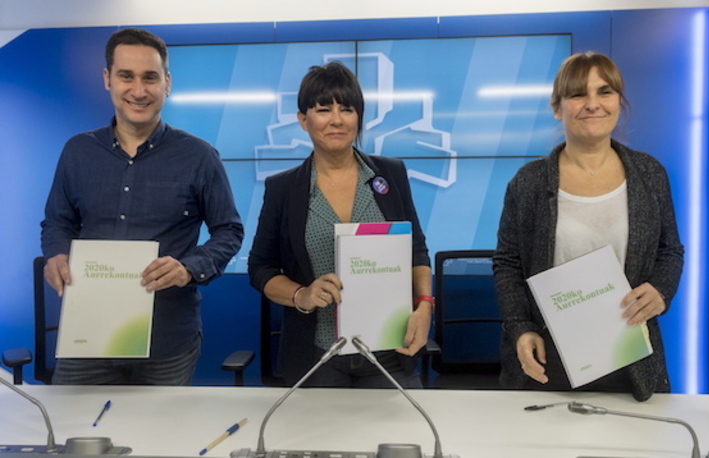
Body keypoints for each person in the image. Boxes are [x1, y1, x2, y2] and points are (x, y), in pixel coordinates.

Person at [40, 28, 244, 385]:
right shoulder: (77, 152)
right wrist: (56, 253)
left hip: (167, 340)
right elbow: (57, 222)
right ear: (107, 79)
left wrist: (188, 267)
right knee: (73, 435)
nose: (139, 90)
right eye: (126, 76)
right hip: (87, 335)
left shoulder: (199, 156)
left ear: (167, 82)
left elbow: (229, 230)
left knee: (160, 439)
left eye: (150, 77)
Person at [492, 52, 684, 402]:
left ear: (619, 102)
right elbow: (507, 263)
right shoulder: (528, 183)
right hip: (548, 360)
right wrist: (521, 328)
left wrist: (660, 290)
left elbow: (670, 250)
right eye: (578, 94)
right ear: (557, 107)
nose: (593, 104)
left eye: (605, 92)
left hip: (631, 359)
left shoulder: (649, 174)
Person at [248, 61, 433, 388]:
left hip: (389, 348)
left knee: (401, 436)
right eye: (323, 109)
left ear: (358, 117)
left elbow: (416, 251)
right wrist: (301, 295)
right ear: (303, 120)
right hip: (317, 356)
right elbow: (261, 268)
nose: (336, 120)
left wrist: (424, 306)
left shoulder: (390, 175)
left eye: (347, 109)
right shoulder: (283, 189)